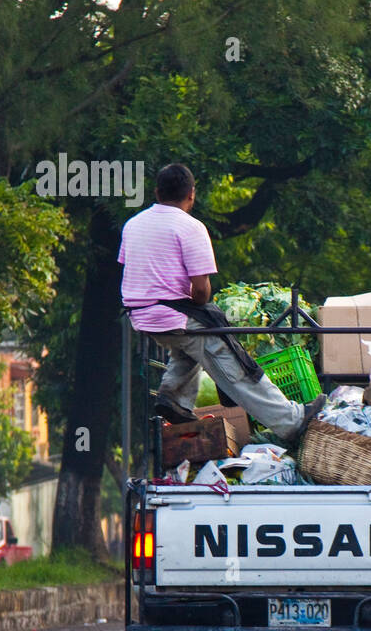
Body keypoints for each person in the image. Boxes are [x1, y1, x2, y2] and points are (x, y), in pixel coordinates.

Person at [118, 163, 322, 444]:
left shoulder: (133, 225)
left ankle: (172, 396)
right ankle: (291, 421)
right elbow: (201, 292)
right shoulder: (190, 227)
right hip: (172, 315)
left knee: (190, 344)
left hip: (140, 316)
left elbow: (136, 271)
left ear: (157, 192)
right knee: (232, 361)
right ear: (191, 194)